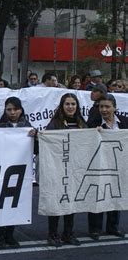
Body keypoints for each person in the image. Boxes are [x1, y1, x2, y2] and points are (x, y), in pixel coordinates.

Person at [0, 96, 36, 248]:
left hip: (20, 171)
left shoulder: (27, 126)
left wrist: (34, 137)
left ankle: (10, 235)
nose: (12, 112)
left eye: (15, 109)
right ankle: (0, 235)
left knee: (15, 203)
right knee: (1, 202)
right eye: (9, 109)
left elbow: (35, 150)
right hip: (3, 171)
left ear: (21, 110)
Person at [45, 93, 87, 247]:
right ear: (62, 106)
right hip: (58, 169)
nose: (70, 107)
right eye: (67, 104)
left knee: (71, 203)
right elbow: (48, 142)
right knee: (57, 202)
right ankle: (53, 234)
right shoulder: (55, 123)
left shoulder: (82, 123)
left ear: (77, 107)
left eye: (73, 104)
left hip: (75, 170)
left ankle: (68, 233)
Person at [88, 94, 126, 240]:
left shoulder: (124, 122)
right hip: (100, 165)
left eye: (107, 106)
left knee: (115, 195)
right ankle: (95, 229)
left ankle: (113, 227)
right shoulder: (93, 123)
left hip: (119, 165)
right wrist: (93, 133)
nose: (103, 110)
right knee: (98, 196)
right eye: (101, 107)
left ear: (114, 108)